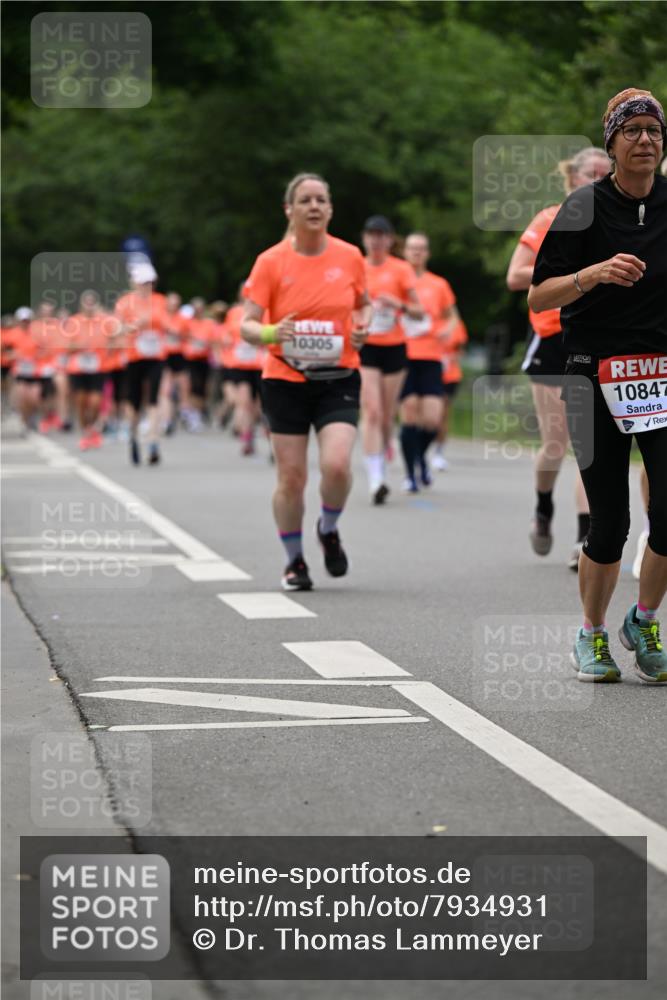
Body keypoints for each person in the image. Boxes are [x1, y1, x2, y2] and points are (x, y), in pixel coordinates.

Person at [528, 88, 667, 683]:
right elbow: (538, 295)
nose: (645, 140)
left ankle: (643, 618)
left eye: (654, 131)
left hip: (659, 376)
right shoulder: (582, 209)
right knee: (608, 523)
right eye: (631, 131)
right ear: (611, 144)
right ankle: (591, 635)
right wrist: (593, 273)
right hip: (591, 374)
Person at [241, 172, 371, 590]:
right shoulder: (270, 261)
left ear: (330, 209)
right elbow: (245, 325)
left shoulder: (351, 256)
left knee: (336, 464)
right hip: (284, 378)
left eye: (321, 200)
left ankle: (328, 528)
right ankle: (294, 561)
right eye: (305, 200)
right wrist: (270, 333)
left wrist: (362, 328)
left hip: (339, 376)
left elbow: (363, 307)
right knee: (292, 478)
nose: (314, 207)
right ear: (290, 210)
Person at [507, 147, 610, 569]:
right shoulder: (549, 219)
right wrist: (570, 275)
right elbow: (515, 276)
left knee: (588, 443)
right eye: (591, 173)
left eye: (606, 174)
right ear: (571, 178)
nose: (598, 180)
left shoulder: (619, 222)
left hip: (599, 340)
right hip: (552, 341)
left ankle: (585, 537)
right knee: (555, 443)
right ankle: (544, 507)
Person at [359, 216, 423, 504]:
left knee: (385, 415)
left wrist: (397, 303)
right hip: (365, 346)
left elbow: (418, 311)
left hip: (394, 347)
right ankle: (376, 479)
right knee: (371, 411)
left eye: (381, 235)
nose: (376, 240)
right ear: (365, 238)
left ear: (389, 239)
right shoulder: (355, 267)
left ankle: (382, 452)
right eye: (371, 235)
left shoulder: (401, 269)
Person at [398, 232, 458, 491]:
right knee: (410, 414)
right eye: (412, 249)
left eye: (421, 249)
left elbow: (453, 316)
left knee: (433, 419)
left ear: (428, 253)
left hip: (432, 356)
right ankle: (410, 474)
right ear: (405, 252)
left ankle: (420, 456)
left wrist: (449, 329)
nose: (416, 253)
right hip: (403, 356)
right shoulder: (397, 280)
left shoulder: (438, 284)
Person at [114, 261, 167, 465]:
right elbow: (116, 330)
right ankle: (133, 436)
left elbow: (166, 323)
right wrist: (133, 326)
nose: (147, 287)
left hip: (156, 356)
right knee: (134, 401)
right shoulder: (125, 302)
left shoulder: (160, 300)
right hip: (134, 357)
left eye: (150, 283)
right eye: (143, 282)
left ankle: (153, 441)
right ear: (134, 283)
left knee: (153, 398)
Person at [62, 290, 117, 450]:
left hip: (98, 367)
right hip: (78, 367)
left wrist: (109, 350)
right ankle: (85, 431)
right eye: (87, 302)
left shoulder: (104, 322)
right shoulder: (73, 322)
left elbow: (114, 340)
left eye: (92, 302)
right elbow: (66, 346)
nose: (90, 305)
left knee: (95, 401)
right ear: (81, 305)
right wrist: (80, 346)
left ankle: (91, 428)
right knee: (81, 402)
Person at [220, 287, 266, 456]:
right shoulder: (234, 312)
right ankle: (247, 437)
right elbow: (225, 335)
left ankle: (263, 434)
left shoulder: (264, 311)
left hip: (259, 364)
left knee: (259, 406)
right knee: (245, 402)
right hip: (239, 364)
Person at [431, 316, 468, 471]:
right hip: (427, 373)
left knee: (442, 415)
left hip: (449, 376)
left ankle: (438, 453)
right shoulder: (427, 320)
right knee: (427, 415)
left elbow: (460, 351)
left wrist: (448, 358)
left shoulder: (456, 324)